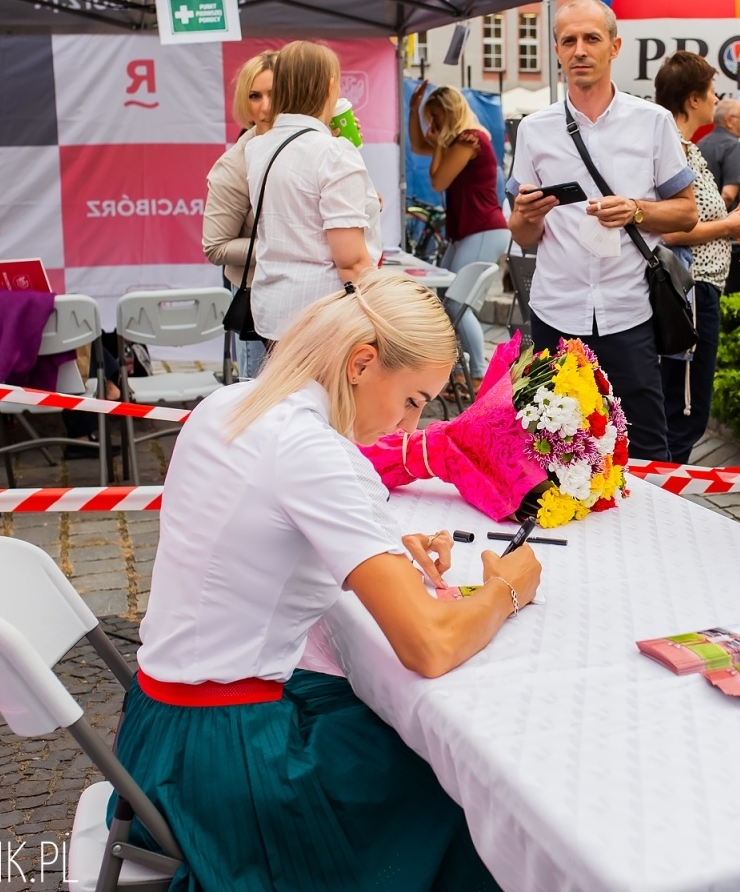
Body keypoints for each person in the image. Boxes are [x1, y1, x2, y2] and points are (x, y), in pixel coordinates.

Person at [118, 272, 540, 892]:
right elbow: (428, 646)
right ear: (362, 363)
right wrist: (508, 589)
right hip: (227, 765)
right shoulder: (313, 453)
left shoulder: (232, 403)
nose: (406, 425)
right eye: (414, 400)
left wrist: (384, 542)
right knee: (456, 780)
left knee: (400, 731)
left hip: (157, 732)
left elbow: (255, 529)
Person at [507, 0, 699, 463]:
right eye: (569, 40)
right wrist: (527, 216)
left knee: (646, 446)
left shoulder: (652, 122)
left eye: (591, 39)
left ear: (614, 46)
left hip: (628, 310)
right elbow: (522, 236)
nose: (579, 50)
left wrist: (636, 210)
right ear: (556, 50)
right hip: (557, 309)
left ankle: (651, 535)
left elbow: (687, 213)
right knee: (555, 449)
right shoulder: (535, 129)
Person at [245, 41, 382, 345]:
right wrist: (388, 317)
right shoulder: (333, 153)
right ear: (331, 86)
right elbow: (352, 262)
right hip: (325, 318)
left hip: (273, 311)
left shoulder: (257, 148)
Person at [652, 51, 740, 463]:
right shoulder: (673, 148)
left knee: (681, 406)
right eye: (710, 92)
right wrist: (727, 228)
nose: (715, 99)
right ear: (693, 99)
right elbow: (668, 228)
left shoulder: (685, 148)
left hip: (698, 287)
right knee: (686, 409)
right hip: (690, 291)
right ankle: (664, 500)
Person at [407, 83, 510, 382]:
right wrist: (414, 111)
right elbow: (417, 145)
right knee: (445, 301)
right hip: (470, 231)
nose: (432, 125)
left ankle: (477, 374)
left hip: (483, 230)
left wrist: (438, 142)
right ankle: (460, 369)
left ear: (450, 114)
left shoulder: (469, 140)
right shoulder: (458, 141)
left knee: (457, 302)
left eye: (436, 117)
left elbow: (438, 181)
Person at [203, 50, 276, 377]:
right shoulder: (235, 165)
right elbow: (216, 246)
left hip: (312, 306)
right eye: (255, 96)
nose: (266, 106)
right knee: (263, 408)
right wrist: (279, 248)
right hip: (259, 303)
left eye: (275, 94)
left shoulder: (314, 146)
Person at [699, 98, 740, 294]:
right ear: (729, 120)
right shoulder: (734, 146)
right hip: (735, 240)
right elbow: (728, 195)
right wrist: (724, 223)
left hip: (708, 240)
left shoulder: (700, 144)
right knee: (738, 295)